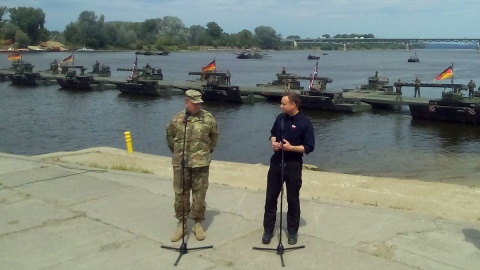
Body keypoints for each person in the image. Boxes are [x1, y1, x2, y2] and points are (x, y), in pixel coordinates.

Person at [261, 92, 315, 246]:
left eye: (284, 103)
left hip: (293, 166)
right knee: (271, 198)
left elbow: (309, 147)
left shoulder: (305, 123)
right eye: (281, 103)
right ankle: (268, 230)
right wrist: (274, 143)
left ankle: (292, 232)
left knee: (292, 200)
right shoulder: (280, 118)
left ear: (293, 104)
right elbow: (272, 134)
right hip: (277, 163)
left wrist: (291, 148)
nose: (281, 106)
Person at [165, 90, 218, 242]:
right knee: (180, 194)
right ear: (187, 102)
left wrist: (204, 154)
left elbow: (214, 138)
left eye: (199, 103)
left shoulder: (208, 118)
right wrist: (178, 154)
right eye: (195, 103)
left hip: (200, 163)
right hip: (181, 164)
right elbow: (169, 139)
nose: (198, 106)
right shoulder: (176, 119)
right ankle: (182, 224)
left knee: (199, 194)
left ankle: (197, 223)